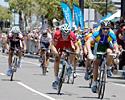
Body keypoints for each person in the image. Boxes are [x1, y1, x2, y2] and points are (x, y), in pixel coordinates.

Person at [85, 20, 119, 93]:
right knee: (96, 63)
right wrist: (90, 52)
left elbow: (115, 44)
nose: (105, 30)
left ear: (110, 28)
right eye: (104, 28)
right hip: (99, 46)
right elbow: (88, 42)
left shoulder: (112, 34)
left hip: (108, 46)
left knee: (110, 52)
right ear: (101, 28)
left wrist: (116, 51)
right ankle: (94, 83)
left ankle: (108, 67)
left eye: (107, 28)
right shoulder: (97, 33)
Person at [51, 23, 80, 89]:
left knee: (72, 50)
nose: (65, 36)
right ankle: (56, 78)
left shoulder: (72, 35)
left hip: (68, 44)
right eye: (63, 34)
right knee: (57, 59)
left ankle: (70, 65)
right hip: (59, 44)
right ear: (61, 32)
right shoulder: (57, 34)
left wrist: (77, 52)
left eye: (67, 34)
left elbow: (77, 46)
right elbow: (52, 45)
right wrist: (55, 53)